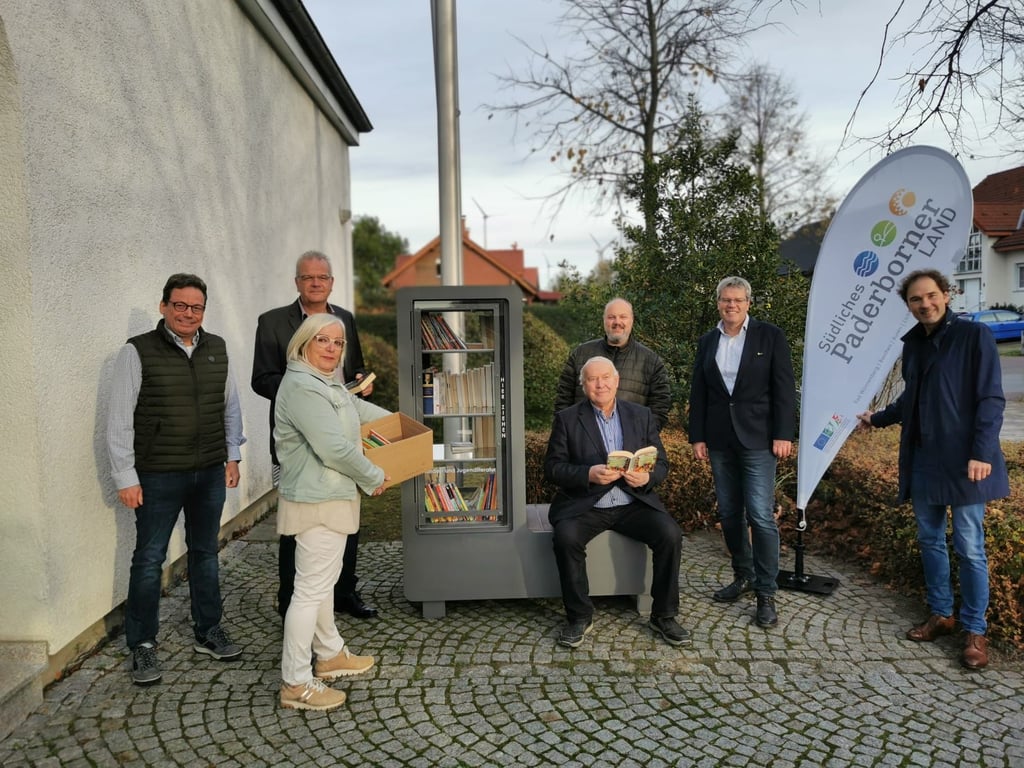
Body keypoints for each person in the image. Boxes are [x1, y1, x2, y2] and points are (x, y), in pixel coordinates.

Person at [856, 269, 1007, 671]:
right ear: (908, 305)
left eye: (931, 296)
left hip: (965, 462)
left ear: (946, 293)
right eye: (915, 300)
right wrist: (879, 418)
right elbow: (912, 398)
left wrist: (981, 453)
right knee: (930, 539)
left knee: (970, 547)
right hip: (923, 459)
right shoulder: (914, 345)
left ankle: (976, 630)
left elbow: (991, 399)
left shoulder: (974, 337)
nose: (925, 304)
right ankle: (942, 614)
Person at [107, 273, 246, 686]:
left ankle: (208, 630)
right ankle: (143, 645)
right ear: (163, 306)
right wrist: (125, 476)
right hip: (157, 476)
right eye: (180, 305)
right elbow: (119, 420)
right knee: (149, 560)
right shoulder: (137, 352)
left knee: (205, 552)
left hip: (208, 472)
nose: (188, 313)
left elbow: (231, 405)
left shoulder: (217, 348)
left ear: (204, 310)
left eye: (196, 307)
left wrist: (233, 455)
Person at [252, 250, 379, 620]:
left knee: (347, 519)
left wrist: (359, 383)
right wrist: (306, 397)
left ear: (331, 282)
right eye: (308, 278)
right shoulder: (274, 322)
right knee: (299, 525)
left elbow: (351, 371)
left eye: (322, 278)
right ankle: (292, 602)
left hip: (344, 434)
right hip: (301, 442)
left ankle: (343, 593)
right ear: (297, 282)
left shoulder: (345, 319)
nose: (315, 283)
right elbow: (261, 379)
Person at [544, 356, 688, 648]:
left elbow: (661, 463)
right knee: (565, 538)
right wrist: (588, 474)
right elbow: (553, 468)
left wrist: (646, 479)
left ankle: (664, 615)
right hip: (587, 504)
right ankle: (579, 616)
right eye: (593, 379)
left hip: (632, 502)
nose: (601, 384)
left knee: (670, 534)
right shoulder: (568, 419)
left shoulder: (641, 415)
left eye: (606, 377)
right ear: (584, 386)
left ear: (617, 380)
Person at [689, 276, 795, 629]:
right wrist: (697, 437)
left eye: (737, 300)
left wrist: (783, 433)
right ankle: (743, 575)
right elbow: (699, 393)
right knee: (730, 513)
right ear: (717, 302)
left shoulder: (770, 336)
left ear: (749, 303)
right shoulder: (708, 341)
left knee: (761, 517)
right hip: (719, 440)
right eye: (725, 300)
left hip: (759, 439)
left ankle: (766, 592)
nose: (731, 305)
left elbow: (783, 389)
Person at [554, 298, 672, 430]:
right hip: (583, 442)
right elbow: (563, 400)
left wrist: (642, 436)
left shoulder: (650, 360)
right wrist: (570, 434)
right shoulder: (580, 354)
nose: (617, 322)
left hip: (630, 445)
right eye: (611, 317)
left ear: (632, 320)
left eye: (623, 317)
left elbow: (660, 406)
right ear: (604, 321)